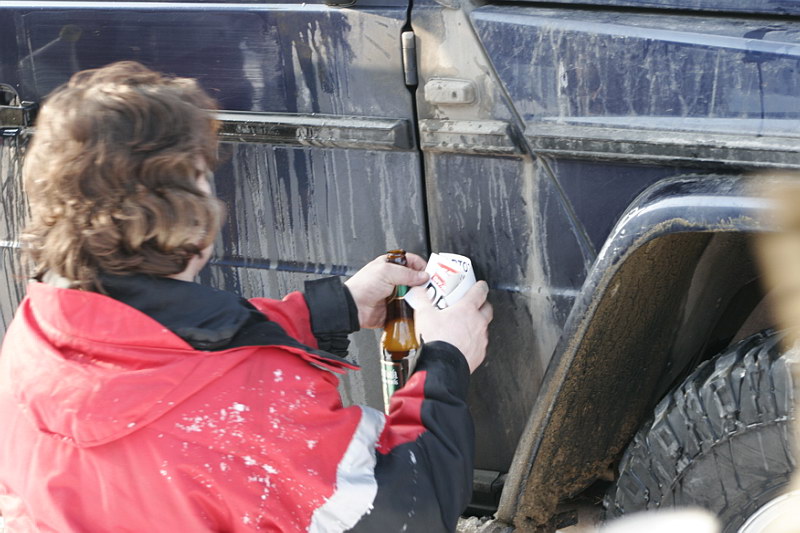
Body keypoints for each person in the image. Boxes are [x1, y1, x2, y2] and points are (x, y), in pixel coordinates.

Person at [0, 61, 493, 532]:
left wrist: (333, 309)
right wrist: (446, 359)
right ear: (185, 212)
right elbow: (407, 511)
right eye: (202, 177)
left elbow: (175, 354)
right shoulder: (249, 408)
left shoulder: (36, 333)